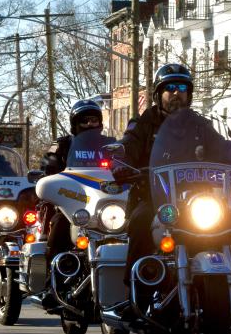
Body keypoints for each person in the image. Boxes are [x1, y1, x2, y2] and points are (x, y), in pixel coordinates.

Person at [113, 63, 193, 287]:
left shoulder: (201, 125)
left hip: (194, 199)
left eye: (181, 87)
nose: (176, 93)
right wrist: (122, 165)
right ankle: (134, 287)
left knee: (228, 222)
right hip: (153, 196)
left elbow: (221, 151)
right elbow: (127, 148)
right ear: (159, 94)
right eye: (170, 88)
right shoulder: (143, 123)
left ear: (189, 93)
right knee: (140, 222)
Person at [39, 99, 105, 265]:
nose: (90, 124)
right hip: (71, 202)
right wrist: (50, 173)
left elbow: (124, 165)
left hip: (105, 203)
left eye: (94, 120)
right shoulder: (62, 145)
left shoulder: (110, 146)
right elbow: (47, 168)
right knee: (60, 223)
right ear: (75, 124)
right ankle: (53, 272)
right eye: (84, 121)